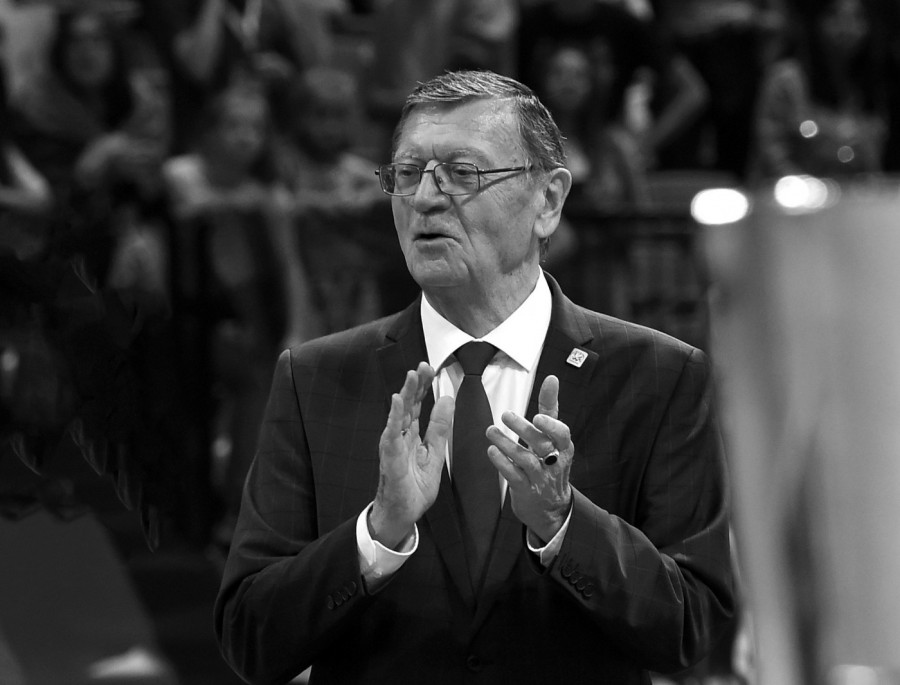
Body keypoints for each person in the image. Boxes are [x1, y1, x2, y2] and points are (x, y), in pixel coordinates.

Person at [214, 69, 735, 684]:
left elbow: (692, 629)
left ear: (548, 201)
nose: (425, 199)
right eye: (408, 173)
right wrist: (375, 535)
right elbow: (251, 638)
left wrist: (565, 524)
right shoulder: (315, 379)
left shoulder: (660, 376)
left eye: (464, 173)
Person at [747, 0, 889, 183]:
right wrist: (811, 189)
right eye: (835, 16)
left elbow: (872, 164)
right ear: (814, 21)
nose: (847, 27)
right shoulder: (787, 79)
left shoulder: (868, 84)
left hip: (853, 196)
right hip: (792, 193)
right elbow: (772, 154)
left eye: (857, 17)